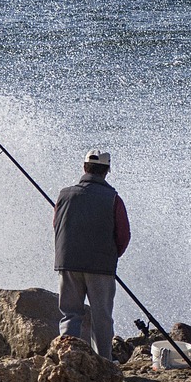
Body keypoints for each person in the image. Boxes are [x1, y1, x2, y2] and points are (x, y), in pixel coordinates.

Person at [52, 149, 130, 359]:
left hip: (67, 263)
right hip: (100, 268)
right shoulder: (113, 199)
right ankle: (104, 360)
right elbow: (123, 235)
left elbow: (57, 225)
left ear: (84, 168)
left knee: (71, 314)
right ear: (107, 170)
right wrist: (111, 257)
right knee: (101, 317)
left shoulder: (64, 194)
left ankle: (67, 358)